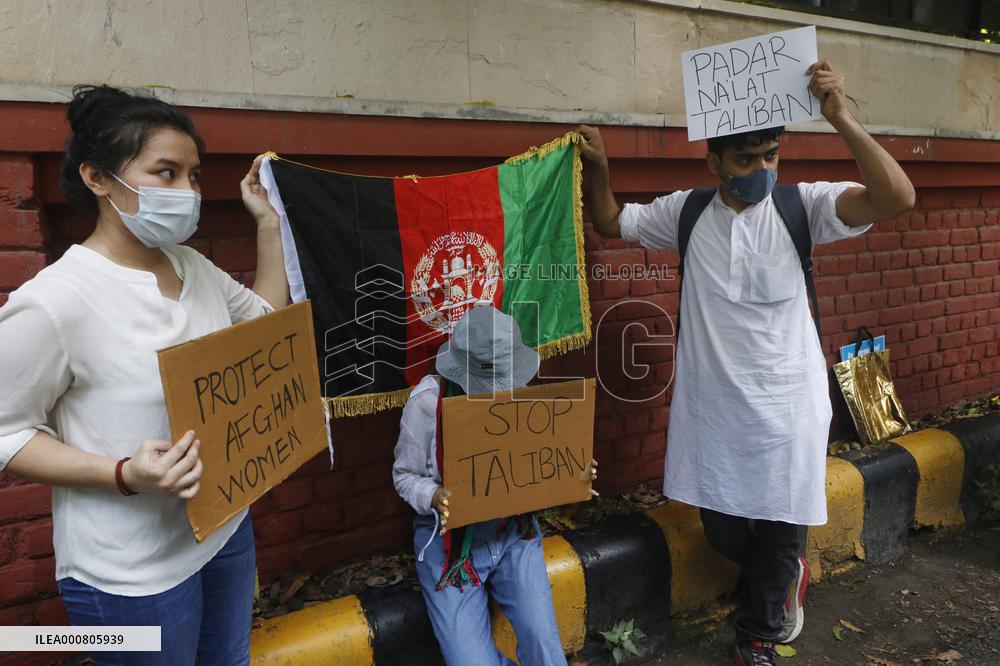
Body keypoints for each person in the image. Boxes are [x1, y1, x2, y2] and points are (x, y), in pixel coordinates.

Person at [577, 61, 914, 665]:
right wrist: (599, 164)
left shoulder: (804, 207)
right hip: (714, 413)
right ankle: (783, 576)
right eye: (746, 159)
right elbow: (608, 221)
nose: (762, 169)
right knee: (726, 532)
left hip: (788, 406)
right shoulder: (685, 213)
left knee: (781, 529)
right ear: (714, 163)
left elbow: (897, 197)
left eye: (771, 156)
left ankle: (758, 634)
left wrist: (840, 116)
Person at [0, 85, 289, 664]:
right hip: (128, 576)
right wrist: (125, 472)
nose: (187, 192)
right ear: (98, 178)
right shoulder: (55, 303)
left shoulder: (193, 265)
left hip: (223, 533)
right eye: (165, 172)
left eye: (194, 175)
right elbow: (6, 434)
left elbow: (263, 325)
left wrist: (269, 225)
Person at [393, 305, 597, 666]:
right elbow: (404, 476)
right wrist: (435, 495)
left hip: (512, 531)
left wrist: (574, 475)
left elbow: (534, 463)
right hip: (450, 542)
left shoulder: (520, 394)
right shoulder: (427, 403)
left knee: (545, 646)